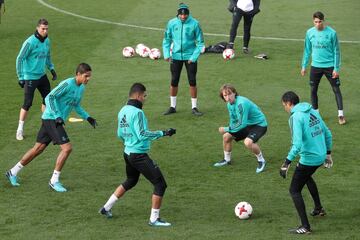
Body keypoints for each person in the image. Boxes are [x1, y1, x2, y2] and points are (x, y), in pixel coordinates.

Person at [6, 63, 97, 192]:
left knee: (38, 148)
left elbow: (76, 105)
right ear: (78, 74)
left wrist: (88, 117)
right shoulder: (67, 84)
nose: (88, 79)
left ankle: (12, 172)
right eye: (86, 76)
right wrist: (57, 115)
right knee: (67, 148)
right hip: (52, 118)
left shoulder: (81, 88)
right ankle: (54, 181)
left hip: (55, 119)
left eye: (89, 77)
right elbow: (50, 97)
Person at [99, 83, 176, 227]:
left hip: (127, 153)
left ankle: (106, 207)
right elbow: (142, 134)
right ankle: (154, 219)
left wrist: (128, 143)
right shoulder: (138, 113)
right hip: (138, 155)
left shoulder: (122, 110)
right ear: (138, 96)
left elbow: (119, 134)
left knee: (131, 180)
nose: (145, 99)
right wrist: (163, 133)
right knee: (160, 184)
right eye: (145, 96)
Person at [280, 91, 333, 234]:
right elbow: (327, 133)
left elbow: (296, 144)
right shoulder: (313, 111)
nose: (285, 108)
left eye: (284, 105)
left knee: (294, 190)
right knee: (307, 177)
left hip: (309, 159)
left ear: (289, 104)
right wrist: (328, 154)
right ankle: (318, 208)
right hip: (320, 155)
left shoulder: (295, 117)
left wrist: (286, 162)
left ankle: (305, 226)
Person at [15, 18, 58, 140]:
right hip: (30, 77)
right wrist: (21, 77)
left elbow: (48, 56)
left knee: (48, 100)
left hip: (42, 75)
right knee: (27, 103)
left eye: (47, 29)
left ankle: (46, 125)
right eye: (43, 29)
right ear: (37, 28)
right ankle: (20, 129)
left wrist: (52, 69)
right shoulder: (30, 42)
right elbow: (20, 58)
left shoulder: (47, 41)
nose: (45, 31)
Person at [301, 11, 345, 125]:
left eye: (320, 22)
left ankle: (341, 115)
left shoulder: (332, 33)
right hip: (315, 66)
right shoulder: (309, 33)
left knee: (336, 89)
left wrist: (336, 68)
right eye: (315, 22)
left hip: (330, 66)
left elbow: (337, 51)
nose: (318, 24)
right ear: (313, 21)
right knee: (313, 90)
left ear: (323, 21)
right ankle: (316, 115)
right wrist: (304, 66)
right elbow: (307, 50)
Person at [162, 3, 205, 116]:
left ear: (188, 14)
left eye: (185, 15)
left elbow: (200, 43)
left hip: (190, 57)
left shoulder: (195, 24)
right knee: (174, 81)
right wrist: (166, 54)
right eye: (181, 15)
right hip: (176, 56)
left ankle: (194, 107)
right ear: (178, 14)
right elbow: (166, 40)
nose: (183, 17)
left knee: (192, 81)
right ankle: (172, 106)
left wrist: (193, 57)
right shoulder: (171, 23)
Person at [214, 84, 267, 173]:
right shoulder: (229, 104)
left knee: (248, 142)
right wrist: (229, 130)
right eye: (225, 95)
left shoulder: (241, 104)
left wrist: (227, 129)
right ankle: (227, 160)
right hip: (247, 124)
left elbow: (242, 124)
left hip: (259, 124)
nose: (228, 97)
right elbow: (233, 120)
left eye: (229, 94)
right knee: (226, 137)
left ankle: (261, 160)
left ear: (234, 93)